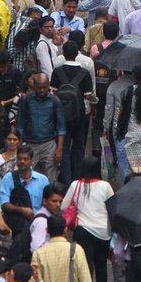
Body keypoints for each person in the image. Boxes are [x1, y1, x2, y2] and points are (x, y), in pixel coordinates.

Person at [62, 157, 115, 282]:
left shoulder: (76, 185)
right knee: (101, 266)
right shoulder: (105, 186)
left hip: (83, 232)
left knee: (85, 268)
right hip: (103, 233)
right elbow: (113, 208)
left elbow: (63, 206)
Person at [51, 41, 94, 185]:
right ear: (77, 54)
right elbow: (88, 95)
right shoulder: (84, 73)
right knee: (78, 145)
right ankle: (77, 178)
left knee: (63, 145)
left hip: (61, 114)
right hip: (80, 114)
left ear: (63, 53)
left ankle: (66, 178)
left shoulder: (57, 71)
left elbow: (54, 92)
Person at [16, 72, 65, 182]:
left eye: (44, 87)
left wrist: (59, 149)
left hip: (49, 144)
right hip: (30, 143)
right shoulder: (26, 100)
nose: (42, 90)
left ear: (48, 86)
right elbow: (20, 123)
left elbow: (61, 127)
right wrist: (19, 143)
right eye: (39, 87)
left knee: (50, 177)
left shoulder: (55, 101)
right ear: (34, 86)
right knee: (28, 175)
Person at [31, 214, 93, 282]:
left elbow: (34, 281)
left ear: (47, 230)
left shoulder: (38, 254)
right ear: (65, 230)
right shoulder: (76, 250)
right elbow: (85, 281)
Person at [30, 184, 65, 252]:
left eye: (60, 201)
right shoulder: (41, 221)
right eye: (54, 201)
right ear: (44, 201)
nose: (58, 205)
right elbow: (35, 248)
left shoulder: (51, 217)